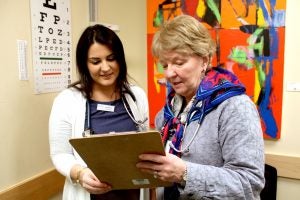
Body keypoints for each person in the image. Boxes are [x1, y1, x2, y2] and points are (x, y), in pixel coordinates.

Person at [136, 15, 265, 199]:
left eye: (179, 62)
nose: (170, 73)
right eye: (165, 65)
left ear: (204, 60)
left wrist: (185, 173)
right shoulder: (165, 116)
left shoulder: (236, 107)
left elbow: (249, 183)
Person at [49, 24, 149, 200]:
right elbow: (60, 154)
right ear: (84, 64)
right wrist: (80, 174)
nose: (105, 67)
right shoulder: (67, 101)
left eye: (111, 58)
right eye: (96, 61)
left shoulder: (137, 96)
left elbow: (143, 144)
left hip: (133, 194)